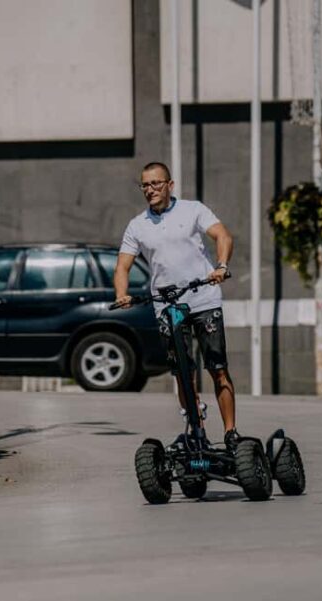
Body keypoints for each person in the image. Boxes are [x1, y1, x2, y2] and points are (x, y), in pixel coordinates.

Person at [114, 161, 241, 450]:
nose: (150, 190)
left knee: (217, 368)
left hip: (203, 299)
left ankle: (231, 433)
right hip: (167, 305)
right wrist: (121, 293)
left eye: (156, 184)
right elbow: (122, 266)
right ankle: (198, 433)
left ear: (170, 185)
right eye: (145, 185)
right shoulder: (137, 225)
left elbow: (223, 235)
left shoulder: (193, 209)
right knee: (183, 373)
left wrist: (221, 266)